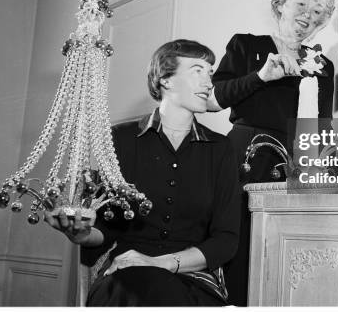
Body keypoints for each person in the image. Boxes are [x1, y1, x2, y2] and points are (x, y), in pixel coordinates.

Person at [44, 39, 240, 307]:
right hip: (125, 276)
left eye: (210, 73)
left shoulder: (221, 149)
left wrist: (160, 263)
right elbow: (106, 227)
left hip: (193, 278)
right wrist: (79, 233)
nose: (209, 83)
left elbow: (226, 239)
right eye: (197, 70)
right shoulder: (121, 139)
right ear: (165, 79)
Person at [210, 0, 336, 306]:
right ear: (281, 4)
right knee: (239, 244)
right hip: (246, 156)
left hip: (296, 163)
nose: (310, 14)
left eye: (320, 11)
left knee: (288, 249)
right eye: (303, 3)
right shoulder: (246, 44)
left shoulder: (324, 65)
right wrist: (260, 76)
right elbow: (214, 98)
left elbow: (322, 125)